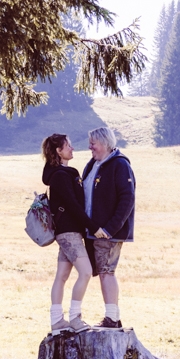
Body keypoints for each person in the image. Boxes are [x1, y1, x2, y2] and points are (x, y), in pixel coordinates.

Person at [81, 125, 135, 329]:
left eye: (93, 143)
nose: (90, 147)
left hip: (107, 233)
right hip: (94, 231)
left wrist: (110, 229)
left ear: (104, 143)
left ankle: (112, 319)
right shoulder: (93, 164)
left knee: (106, 271)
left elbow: (127, 198)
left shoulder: (119, 165)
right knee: (102, 271)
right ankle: (111, 318)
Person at [41, 133, 92, 334]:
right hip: (69, 233)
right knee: (86, 272)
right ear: (58, 151)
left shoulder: (60, 173)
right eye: (68, 146)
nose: (72, 148)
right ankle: (75, 318)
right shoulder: (61, 176)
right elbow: (73, 206)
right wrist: (93, 226)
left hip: (67, 232)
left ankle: (56, 321)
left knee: (61, 276)